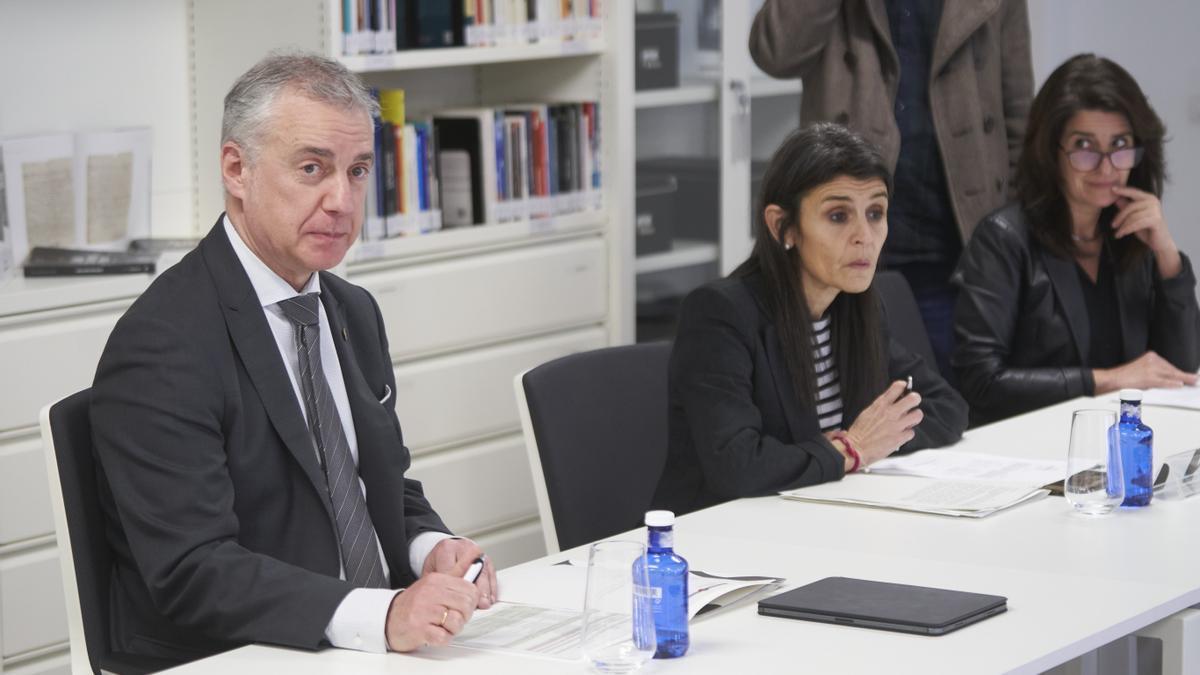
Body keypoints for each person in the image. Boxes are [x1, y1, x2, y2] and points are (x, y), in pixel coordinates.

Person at [90, 52, 498, 666]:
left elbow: (373, 480)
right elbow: (192, 569)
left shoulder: (350, 309)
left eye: (358, 171)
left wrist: (430, 548)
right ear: (237, 169)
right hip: (236, 652)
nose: (342, 200)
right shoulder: (164, 343)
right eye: (313, 168)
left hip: (356, 642)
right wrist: (381, 614)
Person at [653, 124, 968, 516]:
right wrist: (851, 450)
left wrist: (867, 444)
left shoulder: (858, 307)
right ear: (782, 227)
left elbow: (945, 407)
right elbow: (737, 466)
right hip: (718, 539)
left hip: (823, 519)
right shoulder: (722, 314)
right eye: (838, 216)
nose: (864, 237)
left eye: (875, 213)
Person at [749, 0, 1034, 382]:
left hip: (959, 240)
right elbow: (775, 51)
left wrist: (1009, 236)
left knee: (948, 405)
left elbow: (1018, 113)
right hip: (842, 232)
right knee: (835, 396)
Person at [953, 54, 1200, 425]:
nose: (1105, 166)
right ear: (1051, 152)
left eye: (1120, 144)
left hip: (1113, 443)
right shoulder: (1002, 239)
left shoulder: (1133, 237)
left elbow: (1177, 373)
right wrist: (1108, 380)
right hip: (1027, 447)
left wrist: (1168, 257)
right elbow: (980, 383)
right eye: (1085, 146)